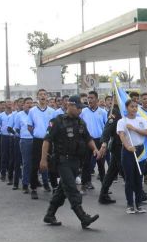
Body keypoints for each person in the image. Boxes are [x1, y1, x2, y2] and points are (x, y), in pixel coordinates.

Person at [40, 95, 102, 228]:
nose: (80, 110)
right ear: (70, 106)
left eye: (81, 108)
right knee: (72, 188)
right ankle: (83, 217)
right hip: (62, 161)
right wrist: (43, 159)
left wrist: (95, 149)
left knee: (63, 189)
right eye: (78, 107)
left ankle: (50, 214)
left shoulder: (80, 122)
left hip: (76, 161)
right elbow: (46, 141)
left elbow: (88, 138)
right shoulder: (57, 121)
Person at [117, 99, 147, 214]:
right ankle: (130, 204)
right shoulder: (122, 121)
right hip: (128, 151)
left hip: (140, 150)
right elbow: (122, 135)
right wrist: (127, 147)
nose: (134, 109)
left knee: (139, 178)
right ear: (126, 108)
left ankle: (139, 204)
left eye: (136, 106)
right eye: (132, 106)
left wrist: (134, 128)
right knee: (129, 179)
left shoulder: (142, 120)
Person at [27, 89, 55, 200]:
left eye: (44, 94)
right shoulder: (32, 111)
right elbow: (29, 126)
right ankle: (33, 188)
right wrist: (35, 133)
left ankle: (54, 187)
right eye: (40, 95)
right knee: (35, 165)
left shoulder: (52, 111)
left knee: (52, 165)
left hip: (49, 141)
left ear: (47, 96)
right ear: (37, 97)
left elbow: (54, 126)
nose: (42, 96)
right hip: (38, 141)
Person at [79, 90, 108, 191]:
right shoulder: (83, 112)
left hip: (100, 140)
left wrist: (105, 141)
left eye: (91, 98)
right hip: (87, 141)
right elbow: (79, 125)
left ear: (97, 99)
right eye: (88, 98)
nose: (89, 100)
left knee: (101, 164)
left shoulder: (103, 112)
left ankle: (105, 186)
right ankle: (85, 183)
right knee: (86, 163)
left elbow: (107, 127)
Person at [98, 105, 123, 205]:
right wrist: (104, 143)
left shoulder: (125, 109)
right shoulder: (114, 111)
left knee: (112, 172)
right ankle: (138, 193)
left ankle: (103, 195)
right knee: (125, 170)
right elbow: (108, 127)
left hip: (124, 145)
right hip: (118, 145)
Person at [16, 97, 34, 194]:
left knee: (36, 163)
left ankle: (35, 182)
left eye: (31, 103)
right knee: (26, 163)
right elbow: (17, 128)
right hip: (25, 140)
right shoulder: (19, 115)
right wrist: (23, 135)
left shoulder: (35, 113)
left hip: (35, 140)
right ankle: (25, 184)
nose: (29, 105)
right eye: (27, 103)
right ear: (23, 105)